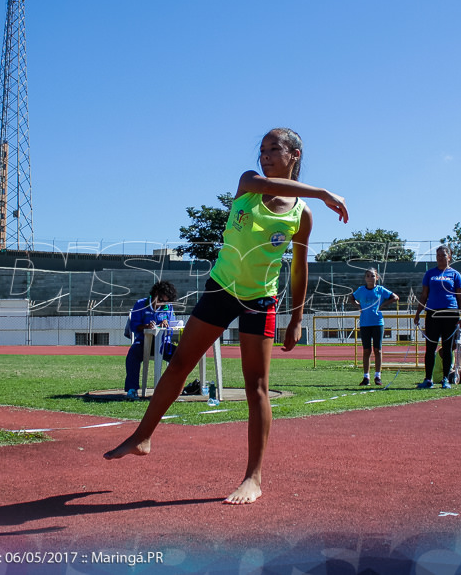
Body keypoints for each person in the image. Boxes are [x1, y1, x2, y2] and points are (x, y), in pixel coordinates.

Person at [104, 128, 348, 505]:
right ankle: (142, 437)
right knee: (181, 363)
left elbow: (299, 270)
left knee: (257, 389)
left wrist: (296, 319)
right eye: (262, 150)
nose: (264, 156)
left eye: (274, 150)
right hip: (221, 289)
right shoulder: (248, 184)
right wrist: (324, 191)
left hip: (260, 301)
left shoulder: (303, 214)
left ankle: (253, 477)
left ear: (295, 154)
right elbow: (265, 180)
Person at [413, 245, 461, 389]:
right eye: (438, 255)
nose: (440, 258)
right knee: (430, 347)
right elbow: (424, 295)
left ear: (449, 257)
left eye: (443, 255)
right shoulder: (430, 274)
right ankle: (428, 379)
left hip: (450, 312)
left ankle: (445, 379)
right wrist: (418, 313)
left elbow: (460, 296)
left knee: (448, 347)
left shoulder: (455, 274)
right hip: (432, 313)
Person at [123, 280, 178, 399]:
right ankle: (132, 389)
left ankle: (170, 388)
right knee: (133, 355)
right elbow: (134, 326)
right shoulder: (141, 304)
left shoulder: (168, 307)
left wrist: (166, 323)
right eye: (161, 300)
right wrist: (146, 326)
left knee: (179, 355)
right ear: (155, 294)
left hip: (163, 344)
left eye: (166, 301)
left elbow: (172, 327)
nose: (163, 304)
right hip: (144, 342)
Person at [348, 268, 399, 386]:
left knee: (378, 349)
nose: (370, 278)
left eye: (372, 276)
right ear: (365, 278)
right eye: (368, 276)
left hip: (377, 322)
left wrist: (384, 305)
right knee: (366, 350)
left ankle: (378, 376)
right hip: (365, 323)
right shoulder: (361, 290)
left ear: (377, 277)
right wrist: (358, 307)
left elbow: (395, 297)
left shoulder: (380, 290)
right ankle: (366, 377)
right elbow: (351, 298)